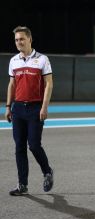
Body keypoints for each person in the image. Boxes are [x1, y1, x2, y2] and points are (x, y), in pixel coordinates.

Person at [4, 26, 54, 196]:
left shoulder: (42, 59)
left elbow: (49, 84)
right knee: (19, 147)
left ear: (30, 39)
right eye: (16, 40)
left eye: (22, 39)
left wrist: (44, 107)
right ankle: (22, 185)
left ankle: (47, 171)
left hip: (35, 108)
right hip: (18, 108)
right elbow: (12, 85)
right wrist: (8, 106)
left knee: (33, 145)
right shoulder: (13, 61)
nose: (19, 42)